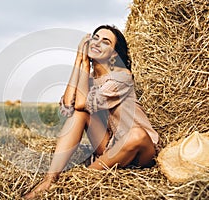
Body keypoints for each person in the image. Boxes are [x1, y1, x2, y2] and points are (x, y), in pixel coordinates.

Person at [23, 25, 159, 199]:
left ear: (114, 54)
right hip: (110, 146)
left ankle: (75, 182)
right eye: (95, 38)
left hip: (140, 148)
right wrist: (79, 61)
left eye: (105, 41)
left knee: (136, 135)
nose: (97, 43)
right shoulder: (87, 80)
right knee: (79, 114)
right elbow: (67, 108)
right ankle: (50, 180)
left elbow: (81, 102)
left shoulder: (122, 76)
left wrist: (85, 63)